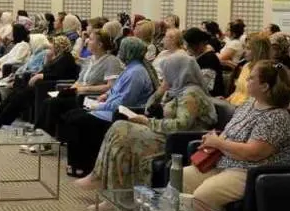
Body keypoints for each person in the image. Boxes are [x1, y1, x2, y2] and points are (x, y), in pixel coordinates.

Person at [135, 60, 290, 211]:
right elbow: (230, 133)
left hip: (252, 171)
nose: (244, 81)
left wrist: (219, 143)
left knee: (204, 196)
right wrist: (215, 140)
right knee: (180, 178)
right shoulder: (249, 105)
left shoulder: (276, 118)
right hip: (227, 162)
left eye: (251, 78)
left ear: (265, 86)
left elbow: (254, 153)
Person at [74, 54, 218, 200]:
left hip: (177, 139)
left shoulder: (191, 94)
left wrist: (147, 122)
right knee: (118, 127)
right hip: (165, 132)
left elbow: (180, 125)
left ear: (177, 71)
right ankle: (101, 177)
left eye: (167, 72)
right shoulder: (177, 90)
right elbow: (149, 108)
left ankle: (117, 194)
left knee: (123, 133)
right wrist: (161, 90)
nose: (164, 76)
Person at [59, 37, 156, 177]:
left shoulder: (136, 73)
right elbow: (115, 89)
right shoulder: (130, 68)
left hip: (119, 114)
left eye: (122, 49)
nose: (119, 52)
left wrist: (98, 107)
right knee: (72, 114)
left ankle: (84, 165)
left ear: (129, 51)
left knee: (78, 119)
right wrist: (105, 95)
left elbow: (123, 102)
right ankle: (75, 163)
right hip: (108, 108)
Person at [37, 30, 124, 138]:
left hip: (89, 97)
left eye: (91, 39)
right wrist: (69, 91)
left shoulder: (111, 61)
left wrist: (85, 89)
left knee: (53, 104)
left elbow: (110, 86)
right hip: (78, 94)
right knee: (48, 101)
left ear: (100, 44)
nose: (87, 41)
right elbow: (79, 81)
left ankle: (45, 139)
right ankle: (40, 136)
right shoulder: (89, 60)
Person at [0, 35, 79, 129]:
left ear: (58, 47)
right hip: (43, 85)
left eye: (53, 45)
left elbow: (57, 74)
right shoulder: (58, 57)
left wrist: (40, 76)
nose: (51, 47)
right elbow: (47, 70)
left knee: (21, 96)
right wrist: (47, 61)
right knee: (17, 93)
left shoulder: (67, 58)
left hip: (50, 87)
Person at [227, 34, 271, 106]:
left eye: (248, 48)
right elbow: (237, 91)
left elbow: (258, 101)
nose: (244, 51)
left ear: (258, 51)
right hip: (233, 104)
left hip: (246, 108)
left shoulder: (266, 70)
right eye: (244, 47)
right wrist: (227, 100)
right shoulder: (246, 66)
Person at [183, 27, 227, 97]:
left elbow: (206, 86)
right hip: (197, 92)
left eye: (189, 45)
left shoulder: (209, 59)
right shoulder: (197, 55)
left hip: (210, 96)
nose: (187, 48)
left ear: (200, 44)